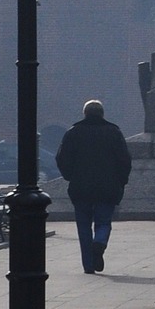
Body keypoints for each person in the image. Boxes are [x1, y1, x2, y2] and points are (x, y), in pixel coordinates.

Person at [55, 99, 132, 274]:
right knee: (104, 222)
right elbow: (124, 160)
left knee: (83, 226)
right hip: (108, 187)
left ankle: (88, 265)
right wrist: (121, 181)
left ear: (85, 113)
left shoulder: (73, 133)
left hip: (81, 187)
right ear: (102, 114)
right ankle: (100, 242)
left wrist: (70, 176)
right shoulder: (114, 132)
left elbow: (62, 158)